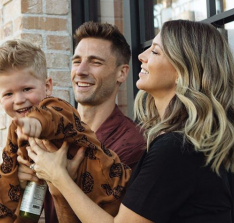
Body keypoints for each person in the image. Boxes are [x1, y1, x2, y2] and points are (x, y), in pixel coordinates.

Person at [26, 19, 234, 223]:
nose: (142, 55)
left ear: (182, 70)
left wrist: (58, 177)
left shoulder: (177, 148)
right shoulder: (178, 142)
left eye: (155, 51)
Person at [17, 21, 146, 223]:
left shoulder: (133, 145)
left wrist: (58, 184)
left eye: (95, 62)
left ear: (122, 72)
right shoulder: (51, 130)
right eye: (77, 61)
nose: (81, 71)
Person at [0, 39, 131, 223]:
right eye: (8, 94)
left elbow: (50, 120)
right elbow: (6, 173)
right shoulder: (15, 133)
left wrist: (35, 124)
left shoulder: (56, 107)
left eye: (26, 89)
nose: (19, 99)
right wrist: (16, 192)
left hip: (110, 194)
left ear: (47, 86)